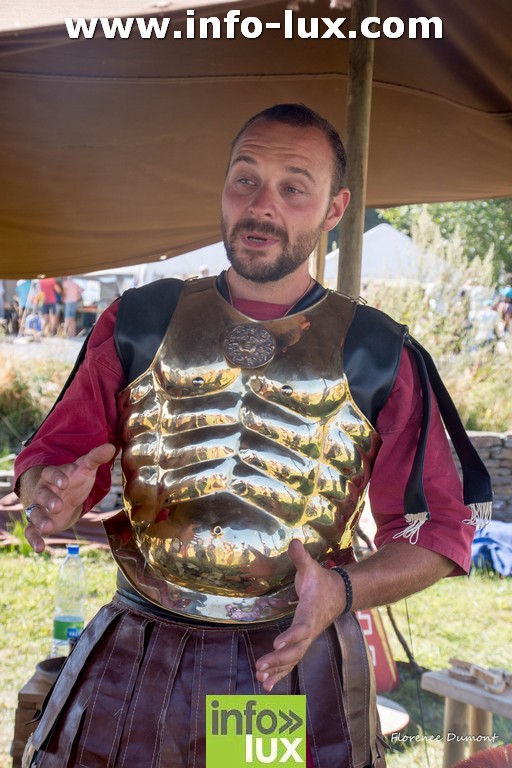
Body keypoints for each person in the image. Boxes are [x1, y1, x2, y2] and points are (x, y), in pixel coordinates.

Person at [15, 104, 492, 768]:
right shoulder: (139, 319)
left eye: (293, 187)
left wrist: (342, 591)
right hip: (140, 646)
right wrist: (48, 491)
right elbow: (55, 457)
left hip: (279, 661)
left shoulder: (378, 352)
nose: (262, 205)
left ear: (334, 208)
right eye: (246, 179)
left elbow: (440, 528)